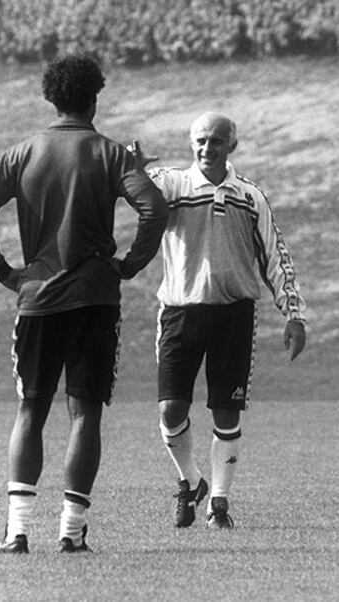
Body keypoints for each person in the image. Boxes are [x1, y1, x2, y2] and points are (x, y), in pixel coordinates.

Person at [0, 54, 168, 554]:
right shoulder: (111, 153)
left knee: (31, 409)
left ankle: (17, 531)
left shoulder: (23, 153)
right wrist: (131, 264)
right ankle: (72, 533)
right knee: (85, 413)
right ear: (94, 97)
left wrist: (5, 272)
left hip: (38, 299)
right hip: (95, 299)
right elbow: (154, 208)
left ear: (51, 97)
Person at [129, 112, 306, 529]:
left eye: (217, 141)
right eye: (201, 141)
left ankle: (219, 504)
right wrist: (131, 169)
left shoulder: (250, 196)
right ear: (191, 143)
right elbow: (125, 189)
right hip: (179, 312)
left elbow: (275, 256)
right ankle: (190, 483)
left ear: (232, 146)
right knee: (171, 409)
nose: (208, 148)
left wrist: (294, 314)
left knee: (227, 411)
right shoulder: (170, 184)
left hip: (234, 315)